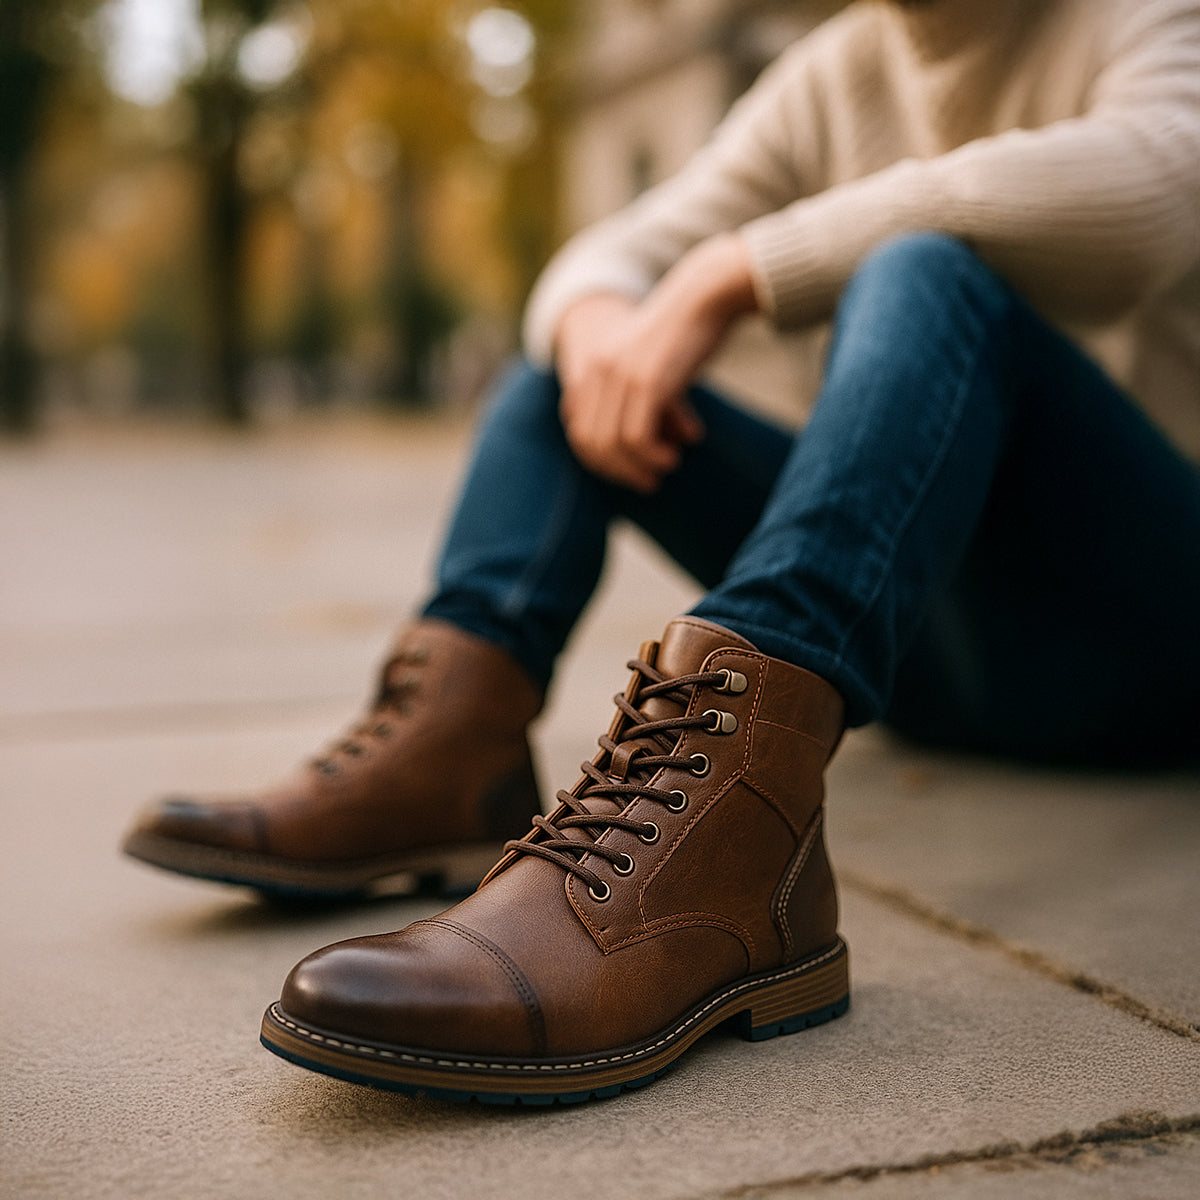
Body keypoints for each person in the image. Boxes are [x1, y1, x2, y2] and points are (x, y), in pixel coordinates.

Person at [125, 0, 1200, 1103]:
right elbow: (609, 258)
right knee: (574, 371)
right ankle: (455, 748)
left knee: (926, 272)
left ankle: (741, 811)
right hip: (926, 643)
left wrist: (734, 269)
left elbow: (1152, 193)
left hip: (1150, 639)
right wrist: (602, 322)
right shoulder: (836, 70)